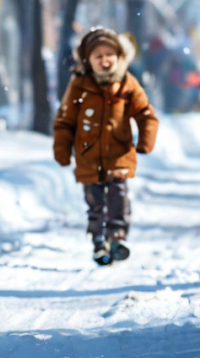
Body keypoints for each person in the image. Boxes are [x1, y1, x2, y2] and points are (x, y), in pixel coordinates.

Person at [53, 28, 159, 266]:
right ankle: (99, 239)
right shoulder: (80, 84)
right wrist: (62, 150)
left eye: (109, 54)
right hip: (88, 156)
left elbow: (146, 114)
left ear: (119, 55)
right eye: (98, 56)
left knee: (118, 194)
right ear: (88, 60)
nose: (104, 60)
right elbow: (65, 120)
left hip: (119, 153)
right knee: (95, 199)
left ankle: (118, 235)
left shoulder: (126, 83)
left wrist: (145, 140)